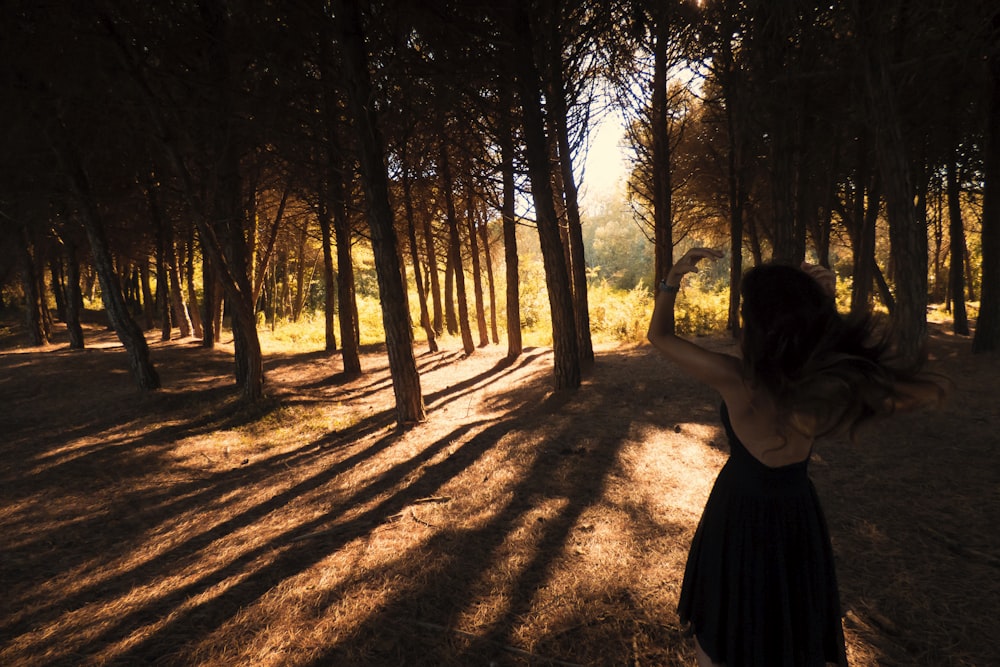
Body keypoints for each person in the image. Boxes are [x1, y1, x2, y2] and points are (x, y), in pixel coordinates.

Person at [647, 248, 945, 667]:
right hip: (794, 511)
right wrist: (822, 308)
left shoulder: (737, 380)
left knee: (725, 623)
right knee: (791, 622)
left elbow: (659, 337)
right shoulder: (822, 383)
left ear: (759, 327)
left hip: (737, 513)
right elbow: (919, 393)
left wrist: (671, 281)